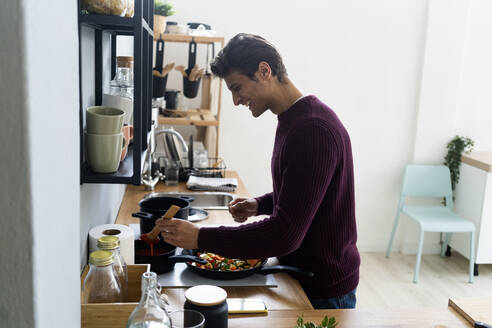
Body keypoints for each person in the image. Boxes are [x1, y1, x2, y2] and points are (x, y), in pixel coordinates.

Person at [155, 33, 360, 309]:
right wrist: (260, 204)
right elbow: (306, 193)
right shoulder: (296, 119)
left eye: (237, 88)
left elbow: (285, 234)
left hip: (322, 290)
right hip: (302, 276)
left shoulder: (312, 130)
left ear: (264, 71)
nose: (236, 101)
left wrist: (201, 237)